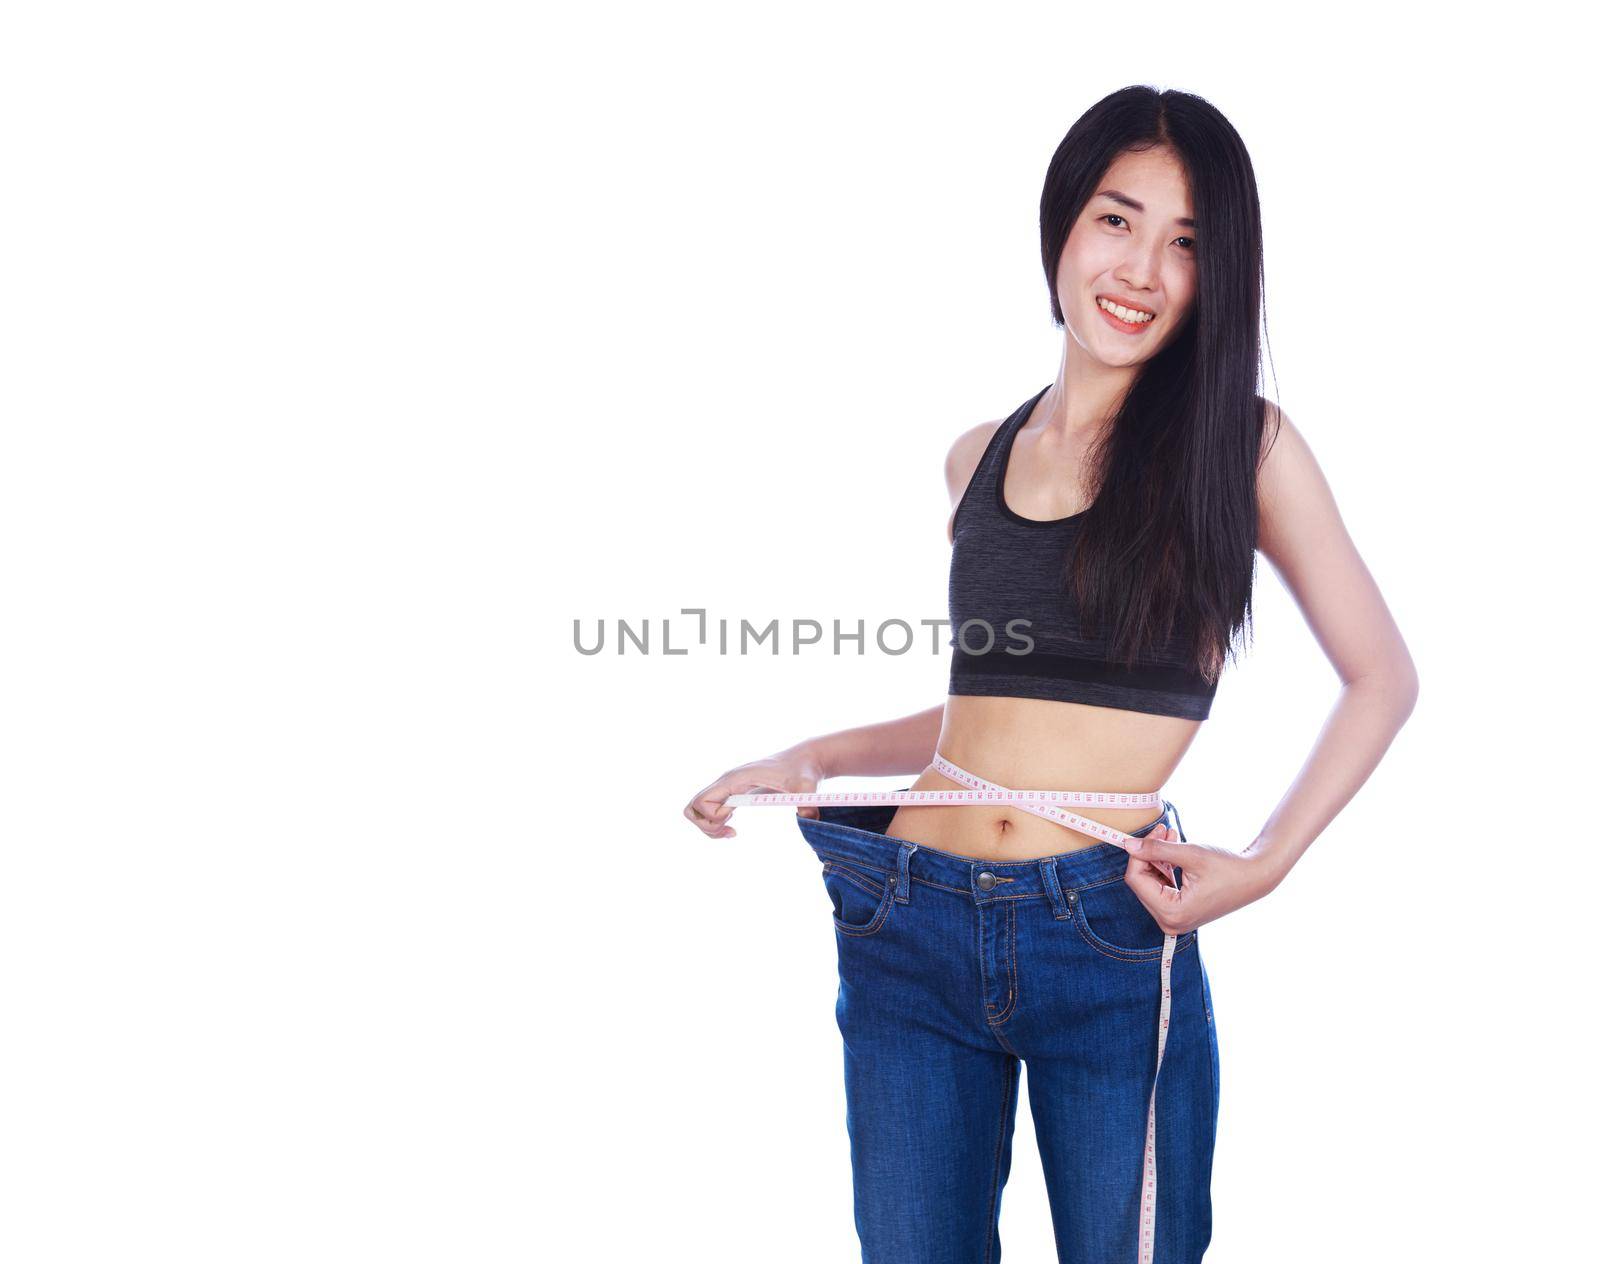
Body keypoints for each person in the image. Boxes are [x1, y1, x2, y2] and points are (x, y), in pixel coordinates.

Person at [683, 85, 1418, 1264]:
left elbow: (1381, 674)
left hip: (1105, 934)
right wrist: (810, 757)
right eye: (1115, 221)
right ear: (1062, 228)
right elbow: (996, 707)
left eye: (1186, 243)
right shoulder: (977, 456)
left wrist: (1262, 868)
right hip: (908, 919)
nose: (1140, 267)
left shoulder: (1244, 450)